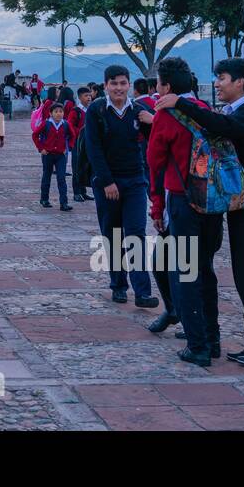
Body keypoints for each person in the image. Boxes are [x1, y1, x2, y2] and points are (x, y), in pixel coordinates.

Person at [153, 57, 244, 368]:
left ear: (239, 81)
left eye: (222, 78)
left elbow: (221, 127)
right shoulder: (234, 111)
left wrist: (181, 104)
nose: (217, 83)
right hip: (239, 204)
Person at [145, 56, 217, 360]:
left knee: (183, 272)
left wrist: (156, 206)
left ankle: (197, 345)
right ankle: (212, 341)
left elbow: (154, 163)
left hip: (181, 199)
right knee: (204, 270)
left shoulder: (166, 115)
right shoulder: (204, 110)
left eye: (159, 84)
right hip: (211, 201)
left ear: (167, 85)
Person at [85, 65, 158, 308]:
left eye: (123, 83)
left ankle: (143, 292)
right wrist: (107, 181)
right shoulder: (96, 111)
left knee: (136, 233)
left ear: (129, 85)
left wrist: (153, 121)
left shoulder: (139, 111)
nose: (118, 88)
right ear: (105, 85)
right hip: (107, 182)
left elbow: (158, 139)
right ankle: (118, 284)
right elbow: (93, 148)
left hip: (135, 180)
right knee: (112, 234)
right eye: (113, 83)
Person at [34, 101, 73, 211]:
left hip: (61, 156)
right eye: (56, 112)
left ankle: (63, 203)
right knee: (47, 176)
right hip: (48, 155)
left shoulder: (65, 124)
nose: (59, 114)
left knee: (61, 178)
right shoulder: (46, 124)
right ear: (51, 113)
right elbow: (35, 135)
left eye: (61, 111)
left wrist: (68, 147)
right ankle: (44, 199)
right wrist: (41, 148)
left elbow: (72, 136)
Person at [70, 85, 94, 205]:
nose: (89, 98)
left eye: (89, 95)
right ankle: (76, 192)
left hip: (88, 144)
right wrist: (81, 132)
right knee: (76, 168)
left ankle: (83, 191)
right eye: (86, 96)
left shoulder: (91, 110)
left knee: (85, 167)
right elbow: (70, 126)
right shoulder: (76, 111)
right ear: (80, 97)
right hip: (78, 144)